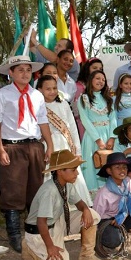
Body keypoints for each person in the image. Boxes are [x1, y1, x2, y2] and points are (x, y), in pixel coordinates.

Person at [0, 56, 54, 252]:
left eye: (28, 70)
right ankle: (14, 236)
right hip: (12, 147)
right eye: (20, 70)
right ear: (11, 73)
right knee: (12, 191)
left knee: (36, 190)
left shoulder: (37, 96)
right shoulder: (1, 96)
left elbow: (43, 122)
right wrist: (0, 149)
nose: (25, 73)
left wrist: (49, 145)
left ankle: (33, 233)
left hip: (34, 146)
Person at [21, 150, 110, 260]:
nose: (77, 173)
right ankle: (29, 246)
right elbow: (41, 222)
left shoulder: (66, 184)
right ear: (60, 171)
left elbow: (80, 203)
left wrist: (85, 209)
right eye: (73, 170)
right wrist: (50, 246)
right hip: (40, 232)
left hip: (57, 223)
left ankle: (87, 255)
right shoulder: (49, 191)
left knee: (92, 215)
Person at [35, 75, 89, 205]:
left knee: (72, 176)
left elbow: (73, 128)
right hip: (49, 147)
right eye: (48, 89)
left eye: (54, 88)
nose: (52, 91)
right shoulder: (36, 106)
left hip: (66, 146)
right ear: (39, 89)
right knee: (51, 176)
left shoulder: (63, 103)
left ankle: (75, 206)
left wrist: (77, 150)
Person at [93, 152, 131, 260]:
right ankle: (105, 240)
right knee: (114, 240)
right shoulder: (104, 192)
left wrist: (124, 215)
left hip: (125, 217)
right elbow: (96, 217)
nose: (122, 170)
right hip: (109, 222)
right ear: (109, 171)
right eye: (117, 167)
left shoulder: (129, 182)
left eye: (124, 167)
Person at [78, 70, 117, 191]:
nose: (101, 81)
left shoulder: (108, 99)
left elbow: (113, 119)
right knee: (93, 163)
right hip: (92, 136)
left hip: (108, 134)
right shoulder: (83, 98)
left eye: (103, 80)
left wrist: (112, 137)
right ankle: (94, 193)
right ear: (91, 80)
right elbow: (85, 120)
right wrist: (98, 140)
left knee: (108, 162)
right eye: (98, 78)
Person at [73, 58, 103, 138]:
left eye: (100, 69)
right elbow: (77, 112)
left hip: (101, 128)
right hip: (84, 127)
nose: (98, 70)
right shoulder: (78, 87)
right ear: (87, 69)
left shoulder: (103, 88)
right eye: (94, 68)